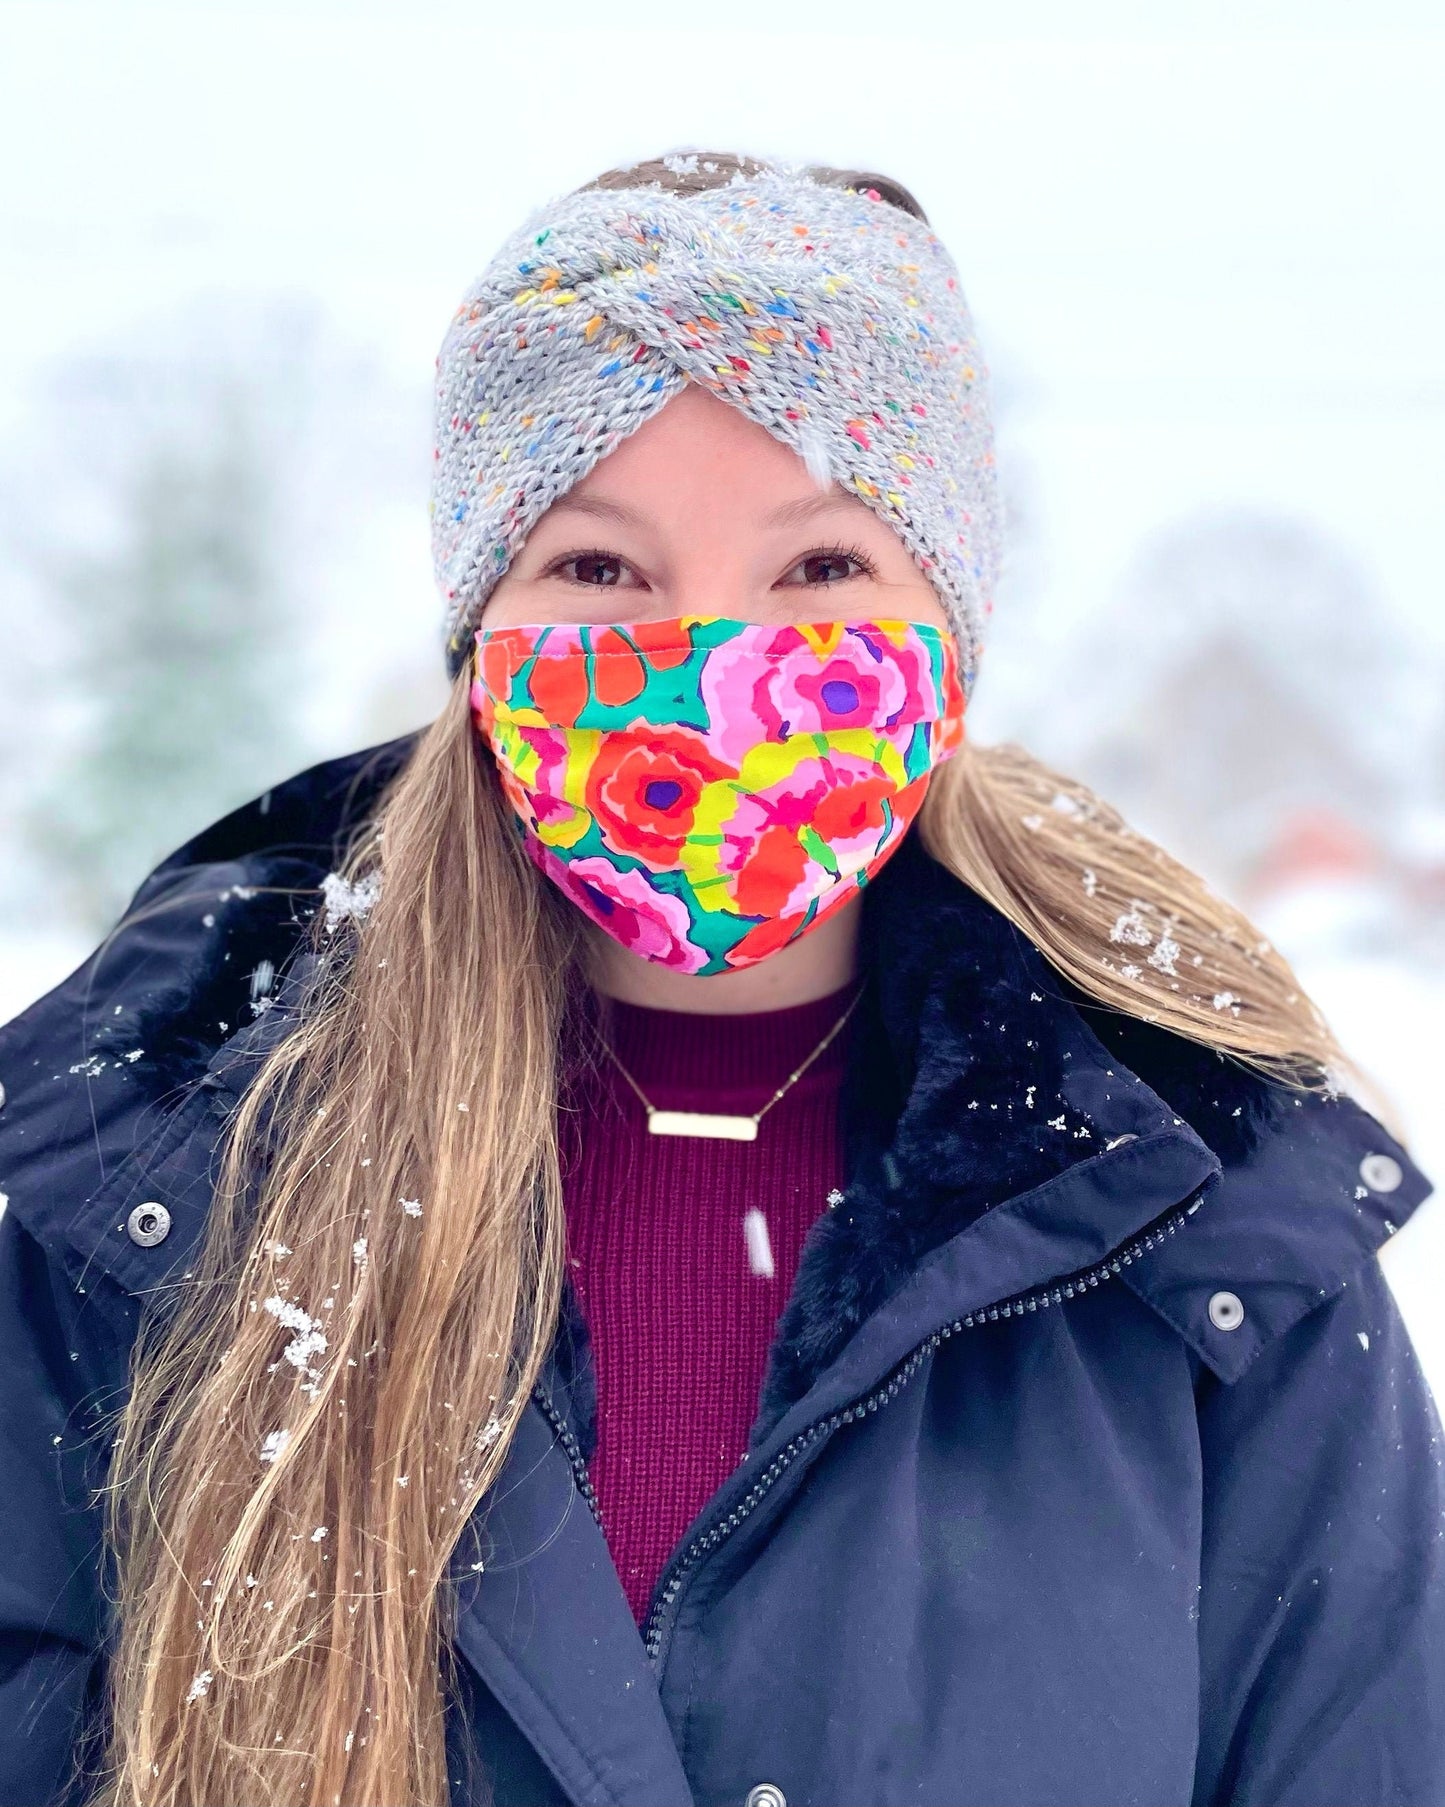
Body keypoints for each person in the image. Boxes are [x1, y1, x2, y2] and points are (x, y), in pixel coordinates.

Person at [0, 149, 1440, 1807]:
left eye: (820, 570)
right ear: (478, 630)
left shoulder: (1210, 1221)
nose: (705, 666)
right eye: (598, 571)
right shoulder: (169, 1185)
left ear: (948, 628)